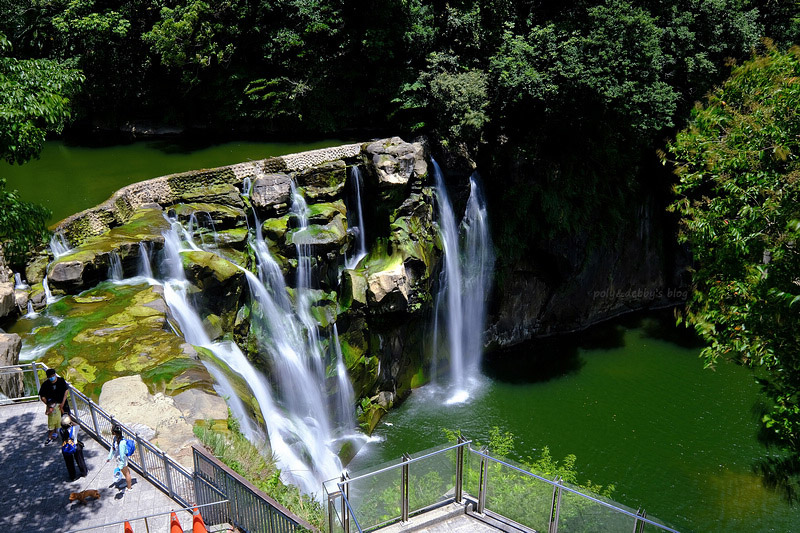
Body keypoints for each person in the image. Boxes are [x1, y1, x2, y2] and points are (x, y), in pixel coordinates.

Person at [39, 369, 71, 444]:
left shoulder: (61, 381)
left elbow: (66, 391)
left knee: (66, 418)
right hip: (52, 406)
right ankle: (53, 434)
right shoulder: (45, 385)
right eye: (50, 377)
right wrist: (50, 405)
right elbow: (42, 397)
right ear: (48, 377)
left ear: (55, 375)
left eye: (53, 376)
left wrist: (62, 403)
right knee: (53, 421)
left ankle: (68, 434)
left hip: (63, 404)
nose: (52, 378)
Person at [59, 414, 87, 481]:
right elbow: (78, 425)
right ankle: (84, 472)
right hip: (75, 446)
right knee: (80, 460)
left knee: (69, 463)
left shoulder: (60, 430)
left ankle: (72, 476)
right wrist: (71, 421)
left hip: (66, 447)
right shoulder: (74, 428)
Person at [107, 425, 133, 491]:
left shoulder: (122, 443)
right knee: (126, 472)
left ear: (115, 432)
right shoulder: (116, 439)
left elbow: (122, 455)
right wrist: (109, 457)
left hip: (122, 460)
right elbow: (112, 448)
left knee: (126, 473)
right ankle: (128, 482)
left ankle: (129, 487)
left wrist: (120, 466)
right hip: (120, 459)